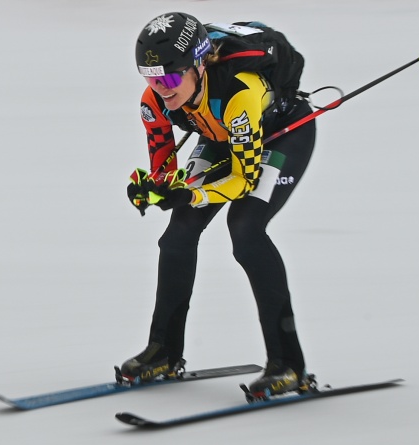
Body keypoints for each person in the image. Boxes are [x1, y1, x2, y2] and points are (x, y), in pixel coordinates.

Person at [120, 12, 316, 398]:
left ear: (199, 65)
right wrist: (153, 189)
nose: (161, 88)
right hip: (222, 136)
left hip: (282, 134)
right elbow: (164, 170)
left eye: (170, 78)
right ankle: (164, 351)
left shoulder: (240, 90)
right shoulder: (154, 101)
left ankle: (288, 363)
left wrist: (192, 194)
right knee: (177, 236)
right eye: (151, 78)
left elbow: (243, 180)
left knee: (246, 231)